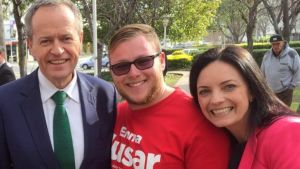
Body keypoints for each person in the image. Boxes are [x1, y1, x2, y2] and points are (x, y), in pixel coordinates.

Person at [0, 0, 117, 169]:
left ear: (80, 39)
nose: (57, 50)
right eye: (46, 41)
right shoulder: (5, 102)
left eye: (66, 38)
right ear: (31, 45)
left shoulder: (105, 95)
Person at [108, 24, 230, 169]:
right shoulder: (116, 114)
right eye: (121, 66)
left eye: (144, 61)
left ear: (162, 60)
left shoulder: (201, 125)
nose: (133, 73)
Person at [189, 45, 300, 169]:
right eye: (205, 91)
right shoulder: (220, 141)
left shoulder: (286, 133)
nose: (216, 100)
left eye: (229, 87)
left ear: (252, 90)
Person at [261, 34, 300, 107]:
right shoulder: (267, 55)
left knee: (284, 113)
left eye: (278, 43)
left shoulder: (291, 54)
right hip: (270, 92)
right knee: (272, 113)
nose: (276, 46)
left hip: (285, 92)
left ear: (283, 42)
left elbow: (298, 70)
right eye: (273, 44)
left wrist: (292, 86)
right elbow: (262, 72)